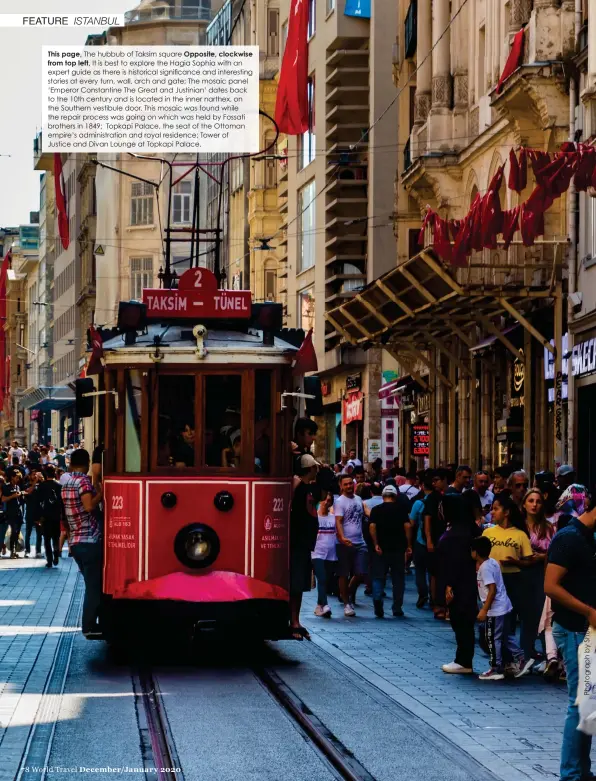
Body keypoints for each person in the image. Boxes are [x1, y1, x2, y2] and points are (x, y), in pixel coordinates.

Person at [545, 490, 596, 781]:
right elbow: (550, 586)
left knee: (589, 704)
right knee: (580, 703)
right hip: (577, 630)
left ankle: (581, 771)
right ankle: (571, 774)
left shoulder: (590, 538)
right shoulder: (569, 537)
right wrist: (588, 612)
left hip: (588, 631)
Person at [483, 492, 536, 665]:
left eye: (496, 509)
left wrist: (516, 562)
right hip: (492, 581)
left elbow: (529, 561)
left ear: (506, 512)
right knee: (493, 620)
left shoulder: (520, 534)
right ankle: (505, 657)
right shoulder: (488, 533)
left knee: (508, 619)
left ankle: (510, 659)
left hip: (513, 579)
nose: (492, 512)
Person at [471, 536, 532, 680]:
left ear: (476, 552)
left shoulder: (485, 568)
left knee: (493, 638)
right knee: (505, 636)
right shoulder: (492, 563)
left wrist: (484, 609)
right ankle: (521, 658)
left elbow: (492, 590)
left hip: (495, 610)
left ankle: (495, 668)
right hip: (504, 607)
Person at [62, 449, 104, 638]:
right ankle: (88, 625)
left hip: (76, 542)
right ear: (86, 463)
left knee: (90, 584)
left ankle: (92, 622)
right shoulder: (83, 481)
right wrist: (101, 494)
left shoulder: (66, 483)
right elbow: (88, 506)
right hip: (89, 540)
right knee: (94, 587)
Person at [438, 494, 481, 675]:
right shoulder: (469, 529)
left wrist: (449, 585)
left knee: (461, 620)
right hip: (469, 583)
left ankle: (464, 660)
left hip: (460, 585)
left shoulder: (455, 535)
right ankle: (463, 659)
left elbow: (454, 563)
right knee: (464, 621)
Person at [368, 484, 412, 618]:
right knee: (398, 579)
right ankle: (397, 607)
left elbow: (372, 527)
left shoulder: (376, 510)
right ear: (395, 496)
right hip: (398, 549)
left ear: (383, 496)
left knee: (378, 577)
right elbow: (408, 527)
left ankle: (377, 603)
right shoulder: (402, 509)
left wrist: (376, 544)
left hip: (381, 550)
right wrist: (408, 545)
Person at [289, 453, 320, 640]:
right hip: (297, 541)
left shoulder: (309, 488)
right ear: (310, 468)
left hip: (304, 543)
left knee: (299, 584)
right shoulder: (297, 485)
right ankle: (293, 621)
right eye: (315, 467)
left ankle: (295, 620)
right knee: (296, 583)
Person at [523, 488, 555, 666]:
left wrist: (542, 556)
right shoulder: (518, 526)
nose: (534, 505)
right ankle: (525, 655)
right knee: (527, 616)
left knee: (544, 615)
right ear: (524, 504)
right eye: (531, 501)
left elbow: (555, 551)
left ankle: (548, 656)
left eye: (538, 501)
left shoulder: (549, 528)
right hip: (522, 573)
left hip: (542, 573)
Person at [335, 473, 368, 617]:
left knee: (361, 573)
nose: (349, 486)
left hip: (360, 542)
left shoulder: (359, 499)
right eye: (346, 484)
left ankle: (346, 593)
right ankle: (347, 603)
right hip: (344, 543)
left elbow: (366, 514)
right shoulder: (340, 502)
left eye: (350, 483)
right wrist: (342, 538)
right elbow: (338, 521)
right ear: (341, 486)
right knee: (343, 573)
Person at [424, 468, 450, 619]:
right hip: (436, 539)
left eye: (437, 480)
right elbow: (427, 519)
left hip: (448, 539)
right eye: (433, 481)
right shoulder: (432, 498)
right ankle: (436, 604)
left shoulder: (450, 495)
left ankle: (446, 604)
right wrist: (429, 540)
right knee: (435, 573)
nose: (434, 483)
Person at [312, 490, 337, 618]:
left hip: (331, 553)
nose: (327, 503)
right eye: (325, 500)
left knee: (325, 580)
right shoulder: (315, 518)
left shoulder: (333, 518)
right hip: (317, 553)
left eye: (330, 501)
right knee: (321, 578)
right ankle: (326, 605)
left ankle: (319, 605)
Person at [411, 473, 433, 609]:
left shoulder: (419, 503)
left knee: (419, 570)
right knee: (433, 571)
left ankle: (423, 593)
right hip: (436, 542)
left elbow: (411, 522)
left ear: (423, 486)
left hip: (420, 541)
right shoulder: (438, 501)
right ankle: (434, 595)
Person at [37, 465, 64, 568]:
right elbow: (62, 503)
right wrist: (63, 516)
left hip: (45, 516)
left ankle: (49, 560)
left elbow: (38, 502)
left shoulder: (41, 486)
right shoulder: (59, 486)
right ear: (55, 473)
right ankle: (56, 555)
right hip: (56, 516)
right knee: (55, 538)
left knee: (47, 539)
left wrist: (38, 516)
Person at [2, 470, 24, 559]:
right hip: (11, 513)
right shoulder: (6, 487)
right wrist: (12, 496)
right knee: (13, 531)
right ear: (12, 477)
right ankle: (12, 550)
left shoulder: (17, 487)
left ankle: (15, 551)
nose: (18, 479)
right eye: (16, 477)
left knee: (17, 532)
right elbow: (3, 499)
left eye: (19, 477)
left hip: (19, 512)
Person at [23, 469, 43, 558]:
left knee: (39, 533)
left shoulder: (40, 486)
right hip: (30, 512)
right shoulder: (26, 485)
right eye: (33, 474)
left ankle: (38, 550)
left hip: (38, 512)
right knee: (28, 532)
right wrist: (35, 482)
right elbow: (28, 492)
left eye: (36, 474)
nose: (35, 476)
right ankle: (27, 550)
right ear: (29, 476)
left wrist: (42, 480)